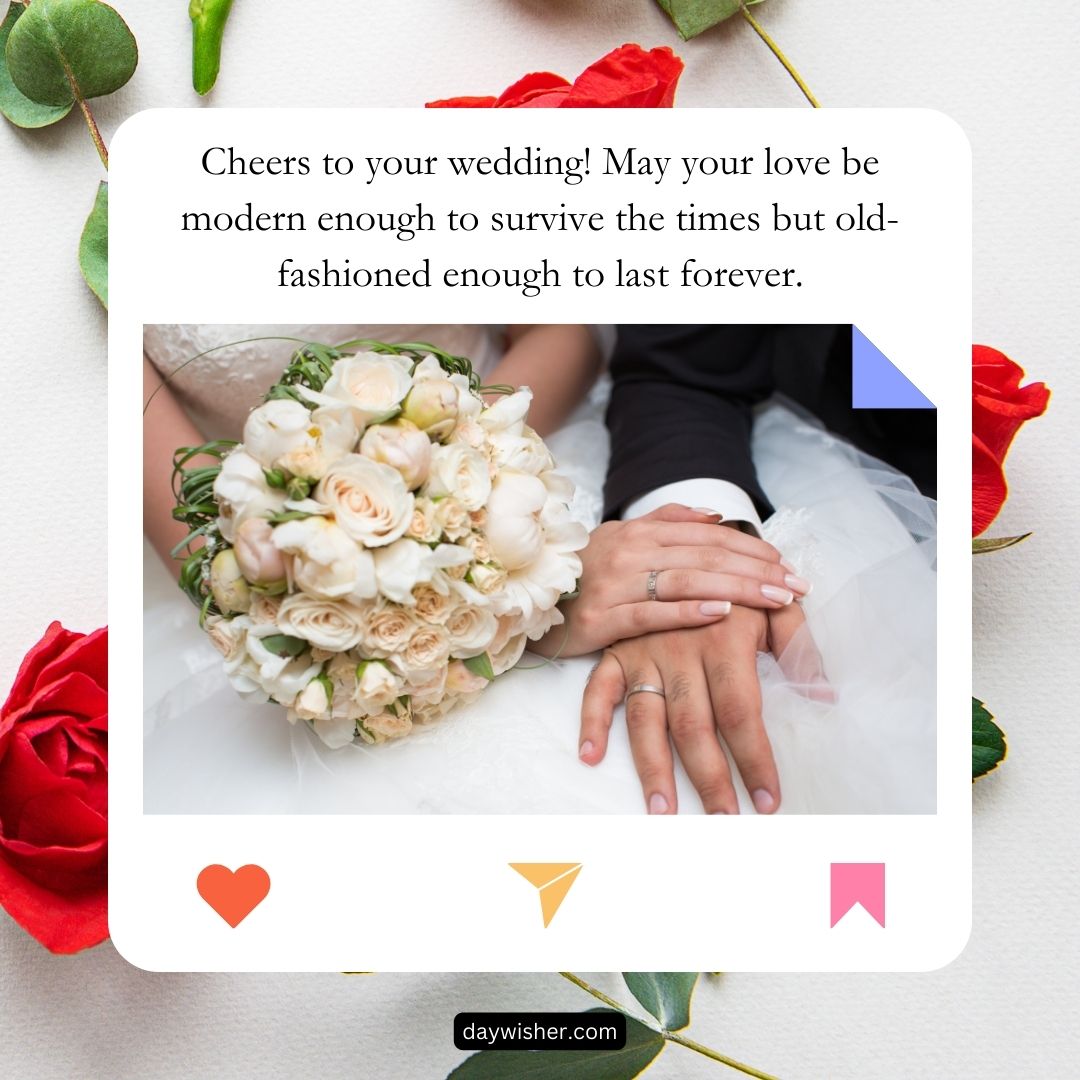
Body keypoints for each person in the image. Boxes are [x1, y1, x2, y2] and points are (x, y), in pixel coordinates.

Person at [142, 323, 935, 815]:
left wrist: (475, 505)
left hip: (523, 456)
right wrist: (503, 605)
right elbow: (191, 520)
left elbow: (566, 327)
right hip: (280, 590)